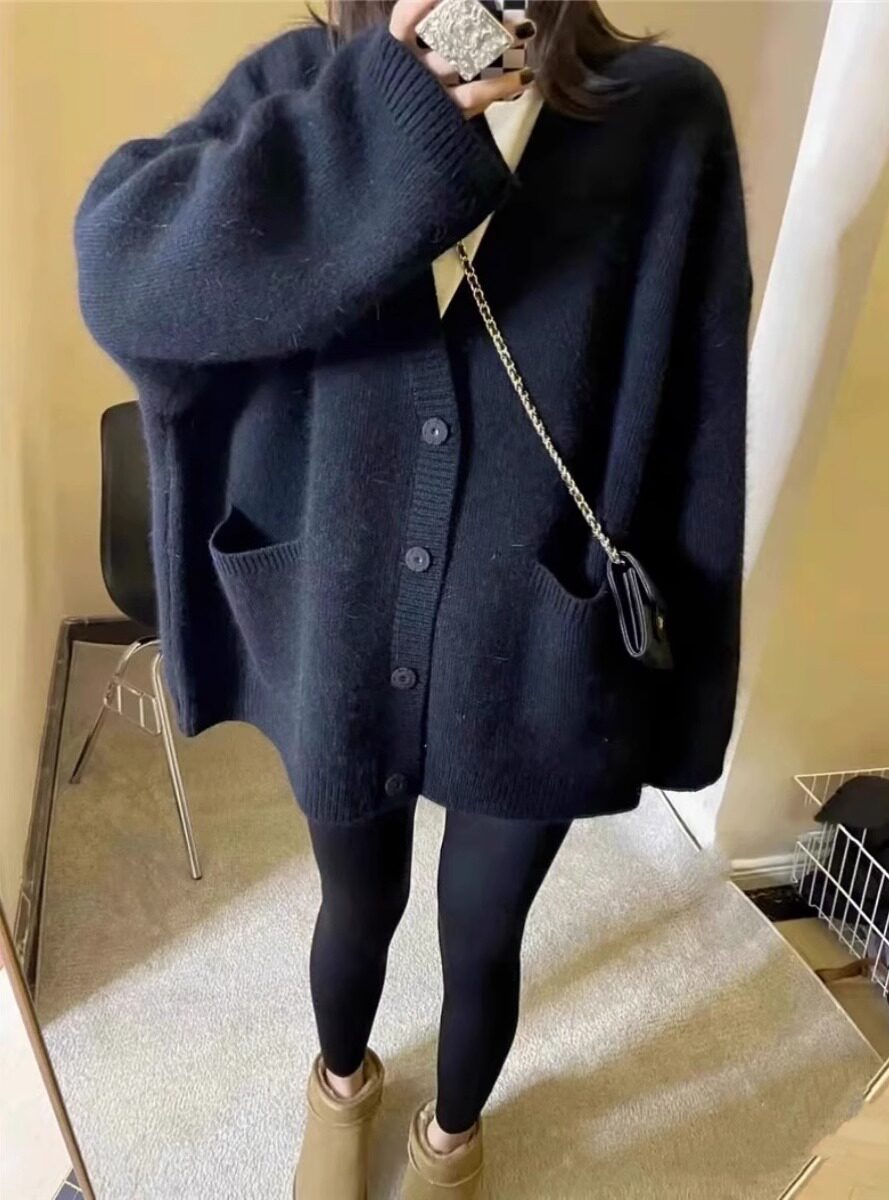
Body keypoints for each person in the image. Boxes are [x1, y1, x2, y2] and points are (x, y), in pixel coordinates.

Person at [73, 0, 752, 1195]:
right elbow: (125, 278)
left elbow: (701, 420)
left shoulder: (665, 118)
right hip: (337, 624)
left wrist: (690, 713)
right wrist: (369, 131)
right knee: (357, 906)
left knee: (483, 934)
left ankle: (450, 1141)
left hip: (537, 642)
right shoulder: (304, 85)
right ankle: (338, 1092)